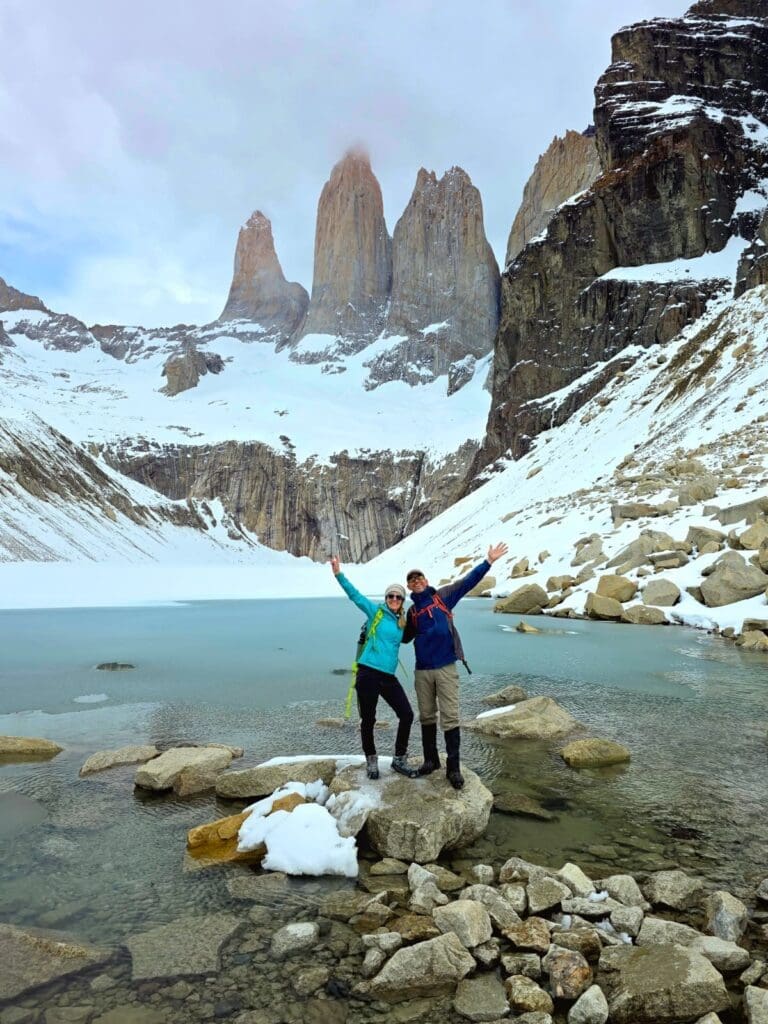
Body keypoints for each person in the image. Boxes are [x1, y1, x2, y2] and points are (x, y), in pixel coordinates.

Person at [403, 542, 508, 790]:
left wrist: (488, 561)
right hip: (422, 670)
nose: (416, 582)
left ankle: (454, 768)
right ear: (408, 586)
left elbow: (468, 582)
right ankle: (431, 761)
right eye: (412, 580)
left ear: (426, 580)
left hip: (446, 667)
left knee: (450, 717)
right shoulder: (411, 612)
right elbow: (405, 638)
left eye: (419, 578)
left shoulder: (443, 597)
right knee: (427, 715)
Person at [331, 556, 417, 780]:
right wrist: (339, 574)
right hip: (368, 672)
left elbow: (419, 630)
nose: (394, 599)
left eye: (398, 596)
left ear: (402, 600)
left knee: (407, 714)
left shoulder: (403, 622)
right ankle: (371, 759)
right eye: (391, 596)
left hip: (388, 676)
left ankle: (399, 759)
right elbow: (355, 596)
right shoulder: (375, 612)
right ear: (386, 598)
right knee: (368, 720)